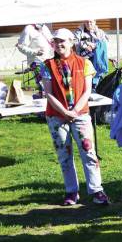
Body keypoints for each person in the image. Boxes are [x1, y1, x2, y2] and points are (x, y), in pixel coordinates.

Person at [40, 28, 109, 206]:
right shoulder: (47, 65)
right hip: (56, 116)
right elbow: (48, 93)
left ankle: (97, 190)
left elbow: (87, 90)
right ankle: (71, 191)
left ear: (72, 42)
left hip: (81, 115)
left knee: (88, 152)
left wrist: (75, 111)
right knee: (64, 154)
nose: (59, 44)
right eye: (56, 41)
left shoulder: (84, 63)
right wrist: (64, 112)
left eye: (62, 41)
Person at [17, 22, 53, 86]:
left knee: (52, 85)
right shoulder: (28, 29)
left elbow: (51, 41)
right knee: (44, 85)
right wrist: (35, 52)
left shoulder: (44, 27)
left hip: (50, 61)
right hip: (37, 63)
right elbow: (20, 46)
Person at [73, 19, 109, 84]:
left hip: (97, 58)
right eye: (87, 22)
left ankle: (96, 85)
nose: (89, 23)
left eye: (91, 22)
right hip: (83, 59)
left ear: (95, 22)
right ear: (84, 22)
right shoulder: (79, 32)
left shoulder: (100, 32)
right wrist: (85, 45)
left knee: (97, 77)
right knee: (86, 78)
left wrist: (95, 46)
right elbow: (75, 43)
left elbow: (104, 44)